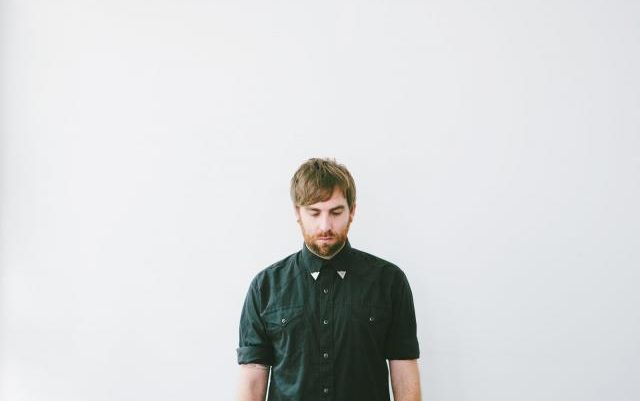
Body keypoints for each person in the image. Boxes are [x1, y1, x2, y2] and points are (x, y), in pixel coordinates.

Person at [236, 158, 422, 401]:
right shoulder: (265, 287)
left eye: (336, 212)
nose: (325, 225)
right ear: (297, 213)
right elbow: (252, 377)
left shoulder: (389, 282)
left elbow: (404, 370)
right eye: (314, 213)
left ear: (352, 211)